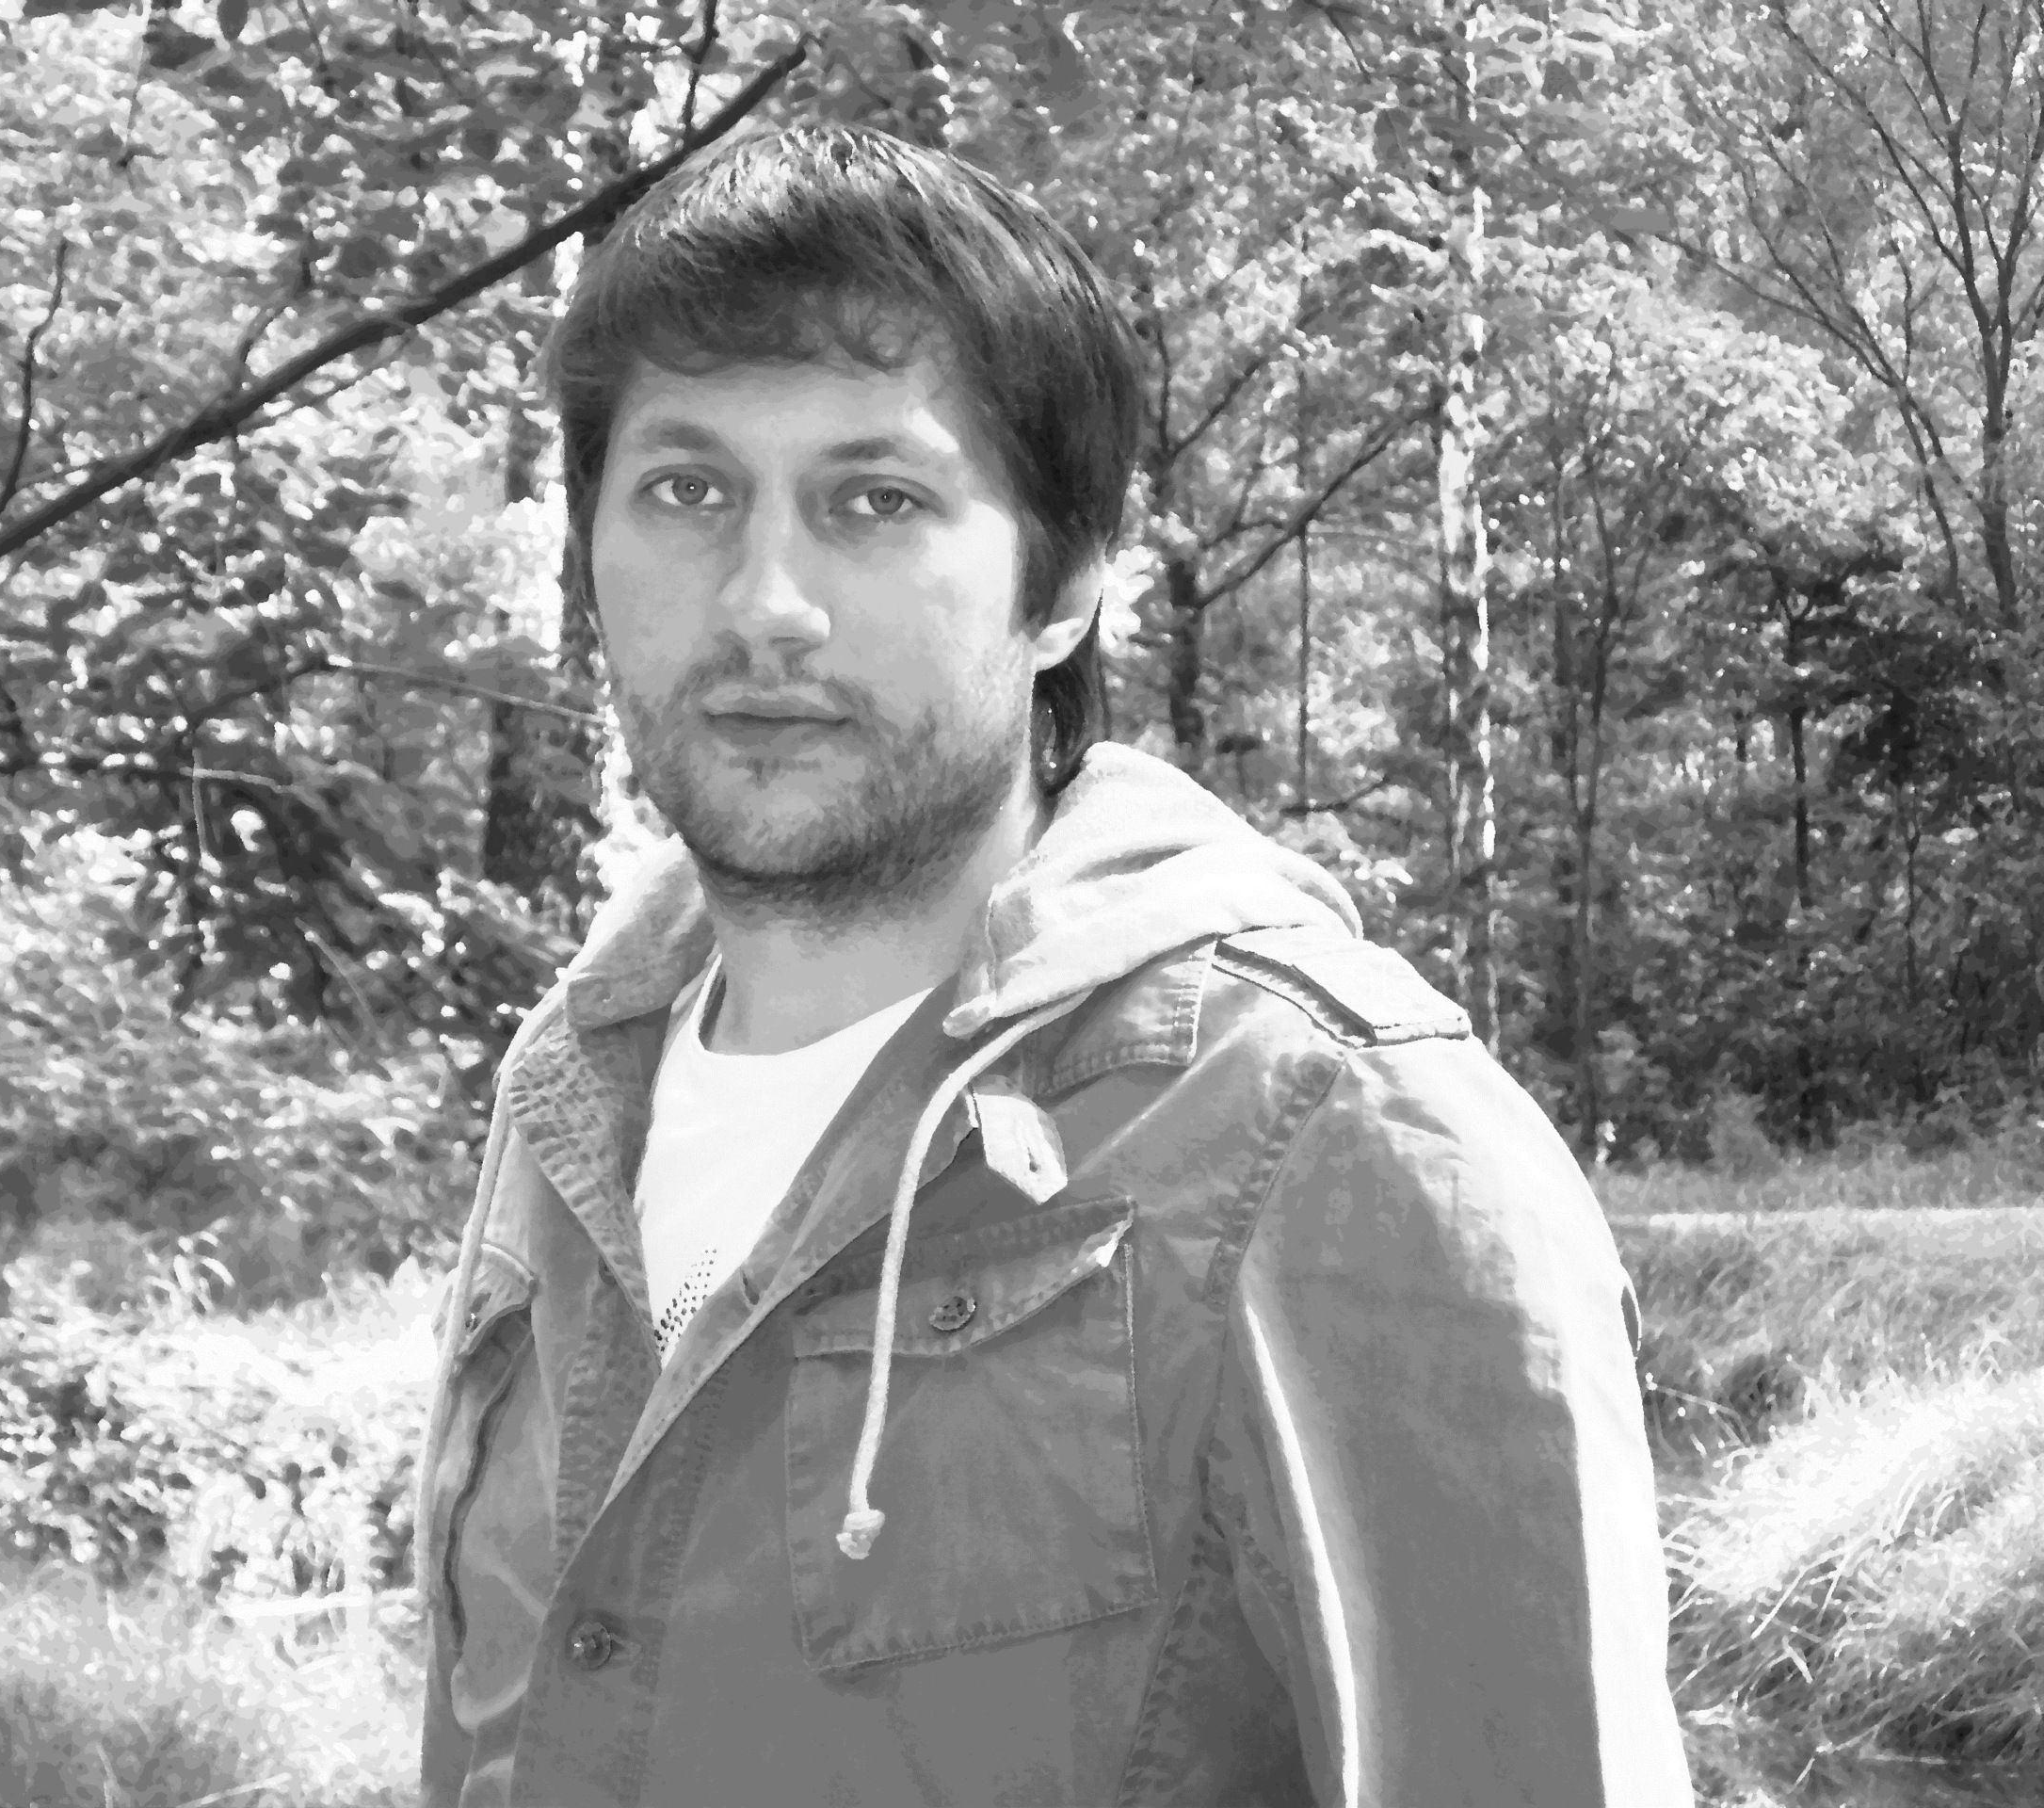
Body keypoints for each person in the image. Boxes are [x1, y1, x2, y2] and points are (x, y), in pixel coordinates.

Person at [416, 119, 1694, 1808]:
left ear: (1069, 585)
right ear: (589, 547)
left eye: (876, 501)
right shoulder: (567, 1096)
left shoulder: (1337, 1142)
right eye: (686, 491)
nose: (766, 601)